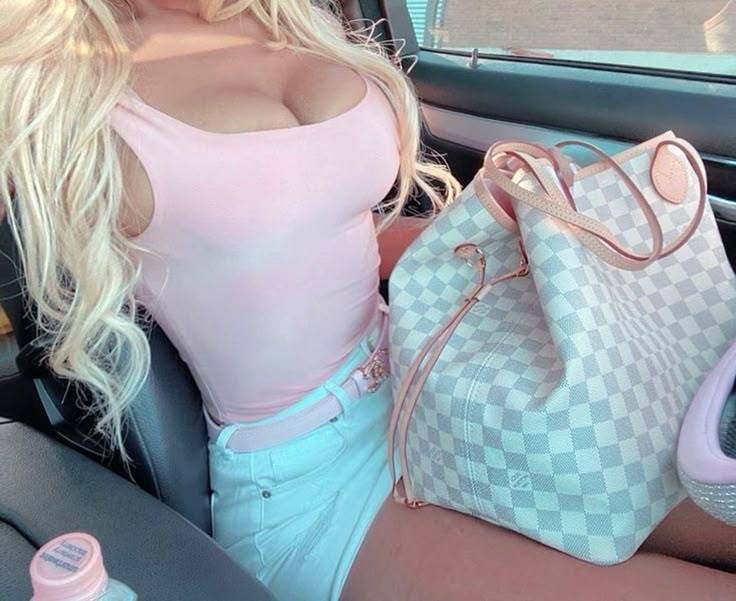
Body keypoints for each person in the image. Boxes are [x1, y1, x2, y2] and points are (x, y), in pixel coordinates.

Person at [1, 1, 734, 600]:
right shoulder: (53, 78)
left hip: (439, 385)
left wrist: (494, 227)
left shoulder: (291, 17)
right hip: (314, 483)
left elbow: (334, 236)